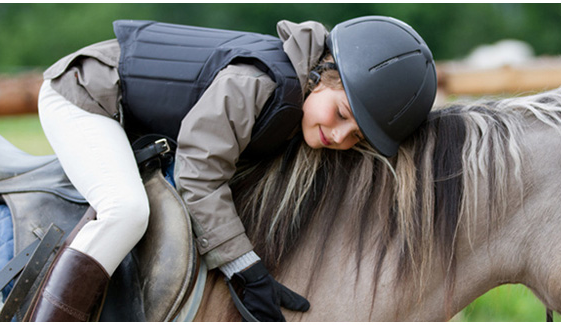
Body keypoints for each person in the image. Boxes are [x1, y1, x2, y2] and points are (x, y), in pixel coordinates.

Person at [25, 15, 437, 321]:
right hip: (83, 94)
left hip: (128, 111)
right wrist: (245, 268)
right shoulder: (256, 83)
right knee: (125, 211)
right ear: (321, 75)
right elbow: (198, 172)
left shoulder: (302, 101)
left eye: (357, 137)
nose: (340, 135)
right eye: (343, 112)